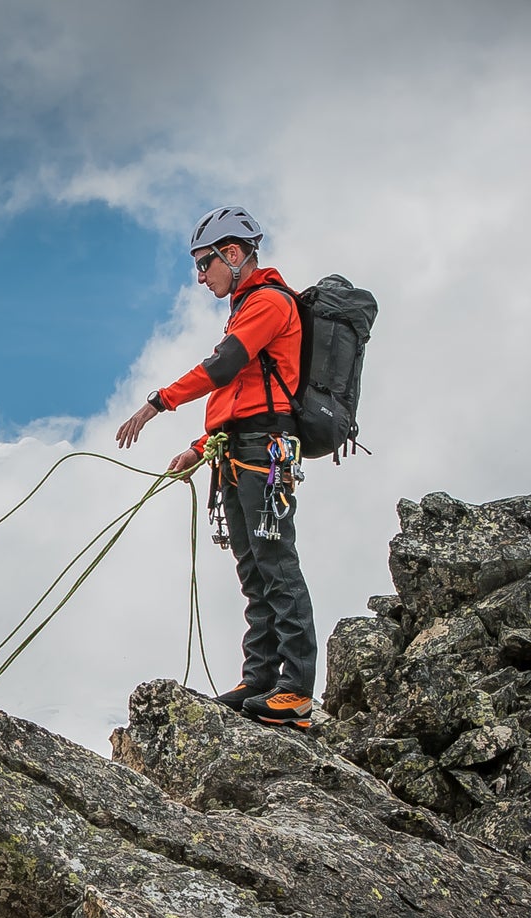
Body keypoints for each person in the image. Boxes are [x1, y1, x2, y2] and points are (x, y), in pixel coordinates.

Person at [115, 205, 316, 730]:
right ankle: (261, 678)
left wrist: (157, 401)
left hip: (263, 453)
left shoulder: (268, 303)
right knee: (254, 569)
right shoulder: (247, 307)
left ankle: (294, 691)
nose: (201, 277)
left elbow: (223, 367)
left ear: (233, 254)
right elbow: (242, 396)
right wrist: (201, 447)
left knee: (276, 565)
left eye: (204, 264)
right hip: (240, 452)